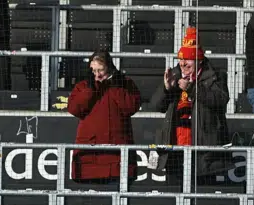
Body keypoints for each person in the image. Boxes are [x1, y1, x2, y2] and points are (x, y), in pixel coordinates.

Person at [154, 28, 231, 184]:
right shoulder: (174, 75)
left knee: (202, 198)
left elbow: (221, 100)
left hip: (203, 152)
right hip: (175, 151)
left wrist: (191, 88)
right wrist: (166, 89)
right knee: (175, 198)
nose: (183, 65)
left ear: (199, 60)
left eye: (188, 62)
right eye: (181, 61)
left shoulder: (215, 76)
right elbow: (157, 106)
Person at [66, 50, 142, 184]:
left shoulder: (125, 83)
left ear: (109, 68)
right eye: (93, 71)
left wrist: (115, 85)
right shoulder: (83, 86)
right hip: (89, 155)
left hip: (117, 155)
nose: (97, 75)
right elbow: (74, 109)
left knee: (119, 199)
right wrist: (91, 88)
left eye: (100, 70)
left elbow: (130, 107)